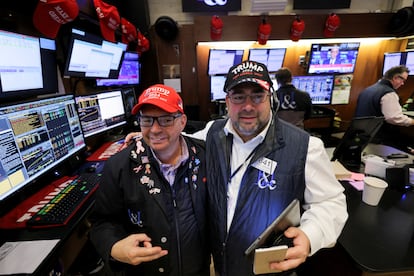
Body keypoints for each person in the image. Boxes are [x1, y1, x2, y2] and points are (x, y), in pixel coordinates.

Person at [123, 61, 348, 275]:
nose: (248, 106)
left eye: (257, 96)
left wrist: (311, 235)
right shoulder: (212, 133)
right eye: (239, 97)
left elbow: (331, 202)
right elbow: (183, 139)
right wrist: (150, 137)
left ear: (270, 98)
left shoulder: (306, 147)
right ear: (227, 101)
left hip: (270, 267)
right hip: (221, 263)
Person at [89, 84, 210, 276]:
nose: (154, 129)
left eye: (165, 120)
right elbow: (101, 222)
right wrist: (114, 247)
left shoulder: (206, 156)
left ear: (182, 121)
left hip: (197, 268)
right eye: (147, 120)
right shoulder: (119, 166)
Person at [354, 65, 414, 149]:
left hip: (361, 135)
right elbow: (393, 118)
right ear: (395, 77)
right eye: (403, 80)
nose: (403, 83)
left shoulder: (369, 89)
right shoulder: (389, 93)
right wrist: (411, 121)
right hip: (378, 138)